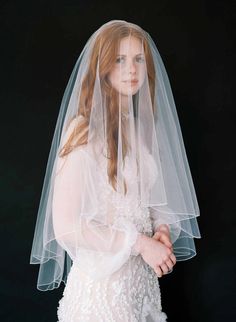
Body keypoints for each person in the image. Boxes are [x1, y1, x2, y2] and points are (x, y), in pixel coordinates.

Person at [30, 20, 201, 321]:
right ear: (103, 66)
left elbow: (146, 199)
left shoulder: (136, 131)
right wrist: (140, 243)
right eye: (120, 59)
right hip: (104, 290)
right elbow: (68, 224)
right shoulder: (82, 132)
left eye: (138, 59)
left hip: (141, 286)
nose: (132, 69)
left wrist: (160, 229)